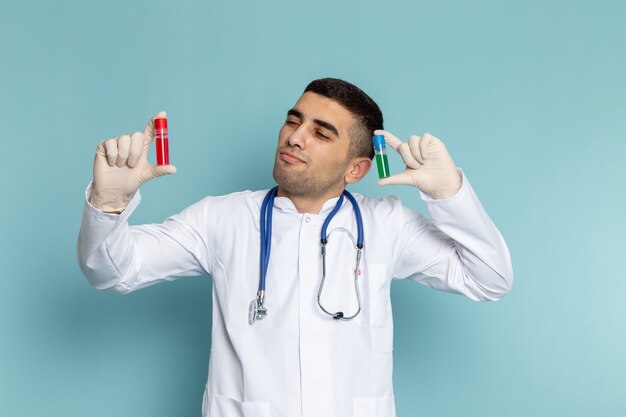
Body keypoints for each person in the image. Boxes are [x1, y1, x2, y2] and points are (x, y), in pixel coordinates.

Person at [77, 78, 513, 417]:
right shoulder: (221, 219)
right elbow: (113, 271)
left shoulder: (386, 225)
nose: (295, 137)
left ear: (357, 168)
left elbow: (489, 279)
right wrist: (109, 202)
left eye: (321, 133)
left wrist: (448, 192)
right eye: (293, 120)